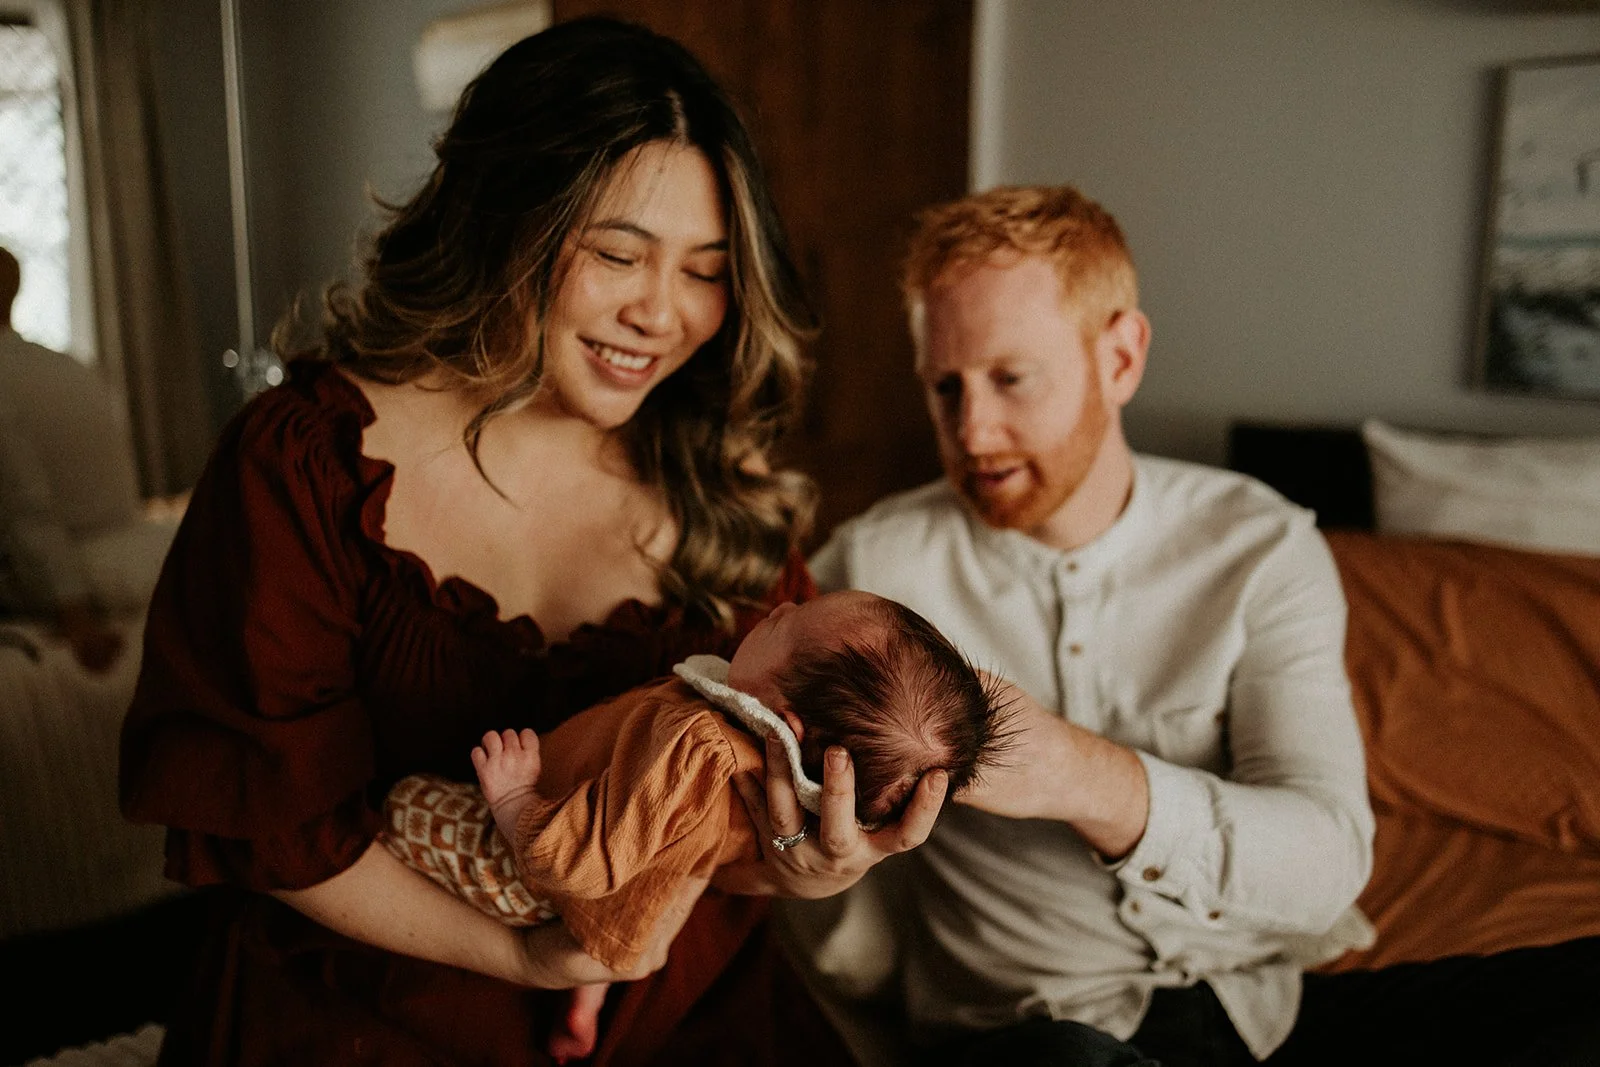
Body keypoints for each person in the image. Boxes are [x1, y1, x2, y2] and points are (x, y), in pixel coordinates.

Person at [118, 19, 947, 1066]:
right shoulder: (305, 463)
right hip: (365, 1010)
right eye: (617, 252)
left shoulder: (722, 491)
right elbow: (262, 819)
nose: (662, 312)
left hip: (678, 1015)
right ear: (500, 221)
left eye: (707, 269)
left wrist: (800, 865)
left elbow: (709, 836)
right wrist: (528, 959)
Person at [807, 183, 1600, 1066]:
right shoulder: (869, 572)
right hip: (1040, 1037)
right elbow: (820, 885)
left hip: (1262, 1020)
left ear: (1120, 357)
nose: (972, 429)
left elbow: (1330, 859)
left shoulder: (1261, 546)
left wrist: (1081, 774)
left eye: (1010, 378)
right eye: (944, 387)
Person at [388, 589, 1006, 1063]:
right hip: (641, 907)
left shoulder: (697, 745)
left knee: (401, 805)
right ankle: (592, 989)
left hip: (543, 870)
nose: (779, 605)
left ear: (782, 722)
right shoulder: (773, 789)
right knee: (616, 933)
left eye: (783, 626)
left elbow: (580, 864)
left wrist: (516, 800)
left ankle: (587, 960)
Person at [0, 246, 125, 672]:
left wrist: (73, 611)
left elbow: (26, 509)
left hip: (56, 583)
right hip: (119, 556)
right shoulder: (71, 368)